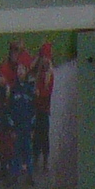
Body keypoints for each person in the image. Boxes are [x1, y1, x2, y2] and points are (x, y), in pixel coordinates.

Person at [32, 42, 56, 179]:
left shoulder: (50, 74)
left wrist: (39, 93)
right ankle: (36, 155)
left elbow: (47, 92)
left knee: (44, 133)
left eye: (47, 57)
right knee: (36, 133)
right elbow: (31, 67)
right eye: (43, 57)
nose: (45, 60)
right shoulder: (39, 71)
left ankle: (45, 158)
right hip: (37, 108)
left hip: (44, 108)